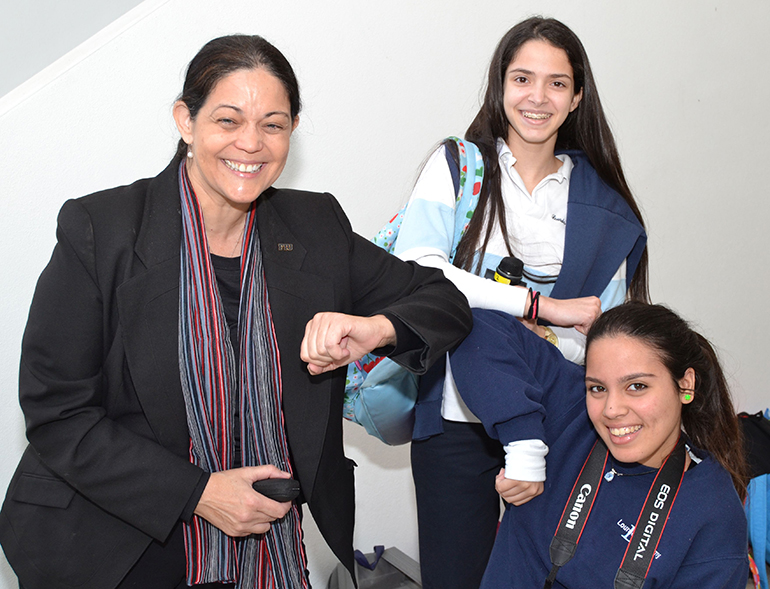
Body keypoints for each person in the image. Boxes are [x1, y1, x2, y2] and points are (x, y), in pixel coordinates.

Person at [0, 35, 472, 589]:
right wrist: (198, 493)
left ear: (292, 130)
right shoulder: (101, 230)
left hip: (271, 547)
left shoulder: (315, 227)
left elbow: (445, 301)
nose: (251, 143)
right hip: (117, 543)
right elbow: (58, 412)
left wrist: (375, 328)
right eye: (228, 120)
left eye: (273, 124)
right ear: (186, 120)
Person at [400, 17, 648, 588]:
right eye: (522, 79)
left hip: (558, 421)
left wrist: (549, 339)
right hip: (455, 421)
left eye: (557, 83)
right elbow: (420, 275)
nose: (537, 98)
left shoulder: (606, 210)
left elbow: (602, 338)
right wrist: (539, 310)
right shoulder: (459, 168)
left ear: (578, 95)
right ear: (500, 86)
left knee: (551, 577)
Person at [451, 304, 749, 588]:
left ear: (685, 386)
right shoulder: (571, 416)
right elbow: (472, 326)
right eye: (598, 388)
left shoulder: (714, 512)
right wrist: (524, 446)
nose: (611, 409)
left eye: (637, 386)